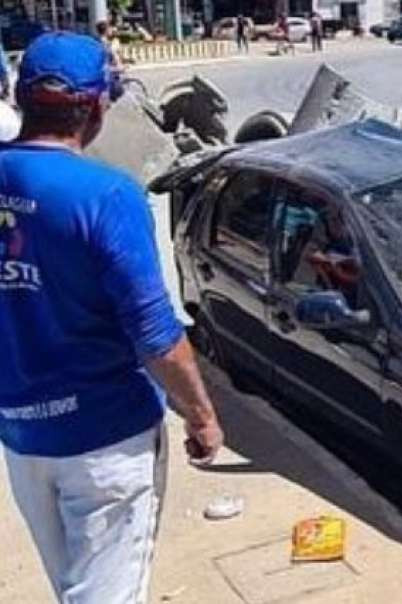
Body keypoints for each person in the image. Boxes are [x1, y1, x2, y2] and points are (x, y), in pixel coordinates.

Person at [0, 33, 224, 603]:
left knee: (75, 589)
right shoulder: (105, 196)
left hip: (24, 440)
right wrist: (201, 417)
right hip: (107, 441)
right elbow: (155, 335)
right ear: (97, 108)